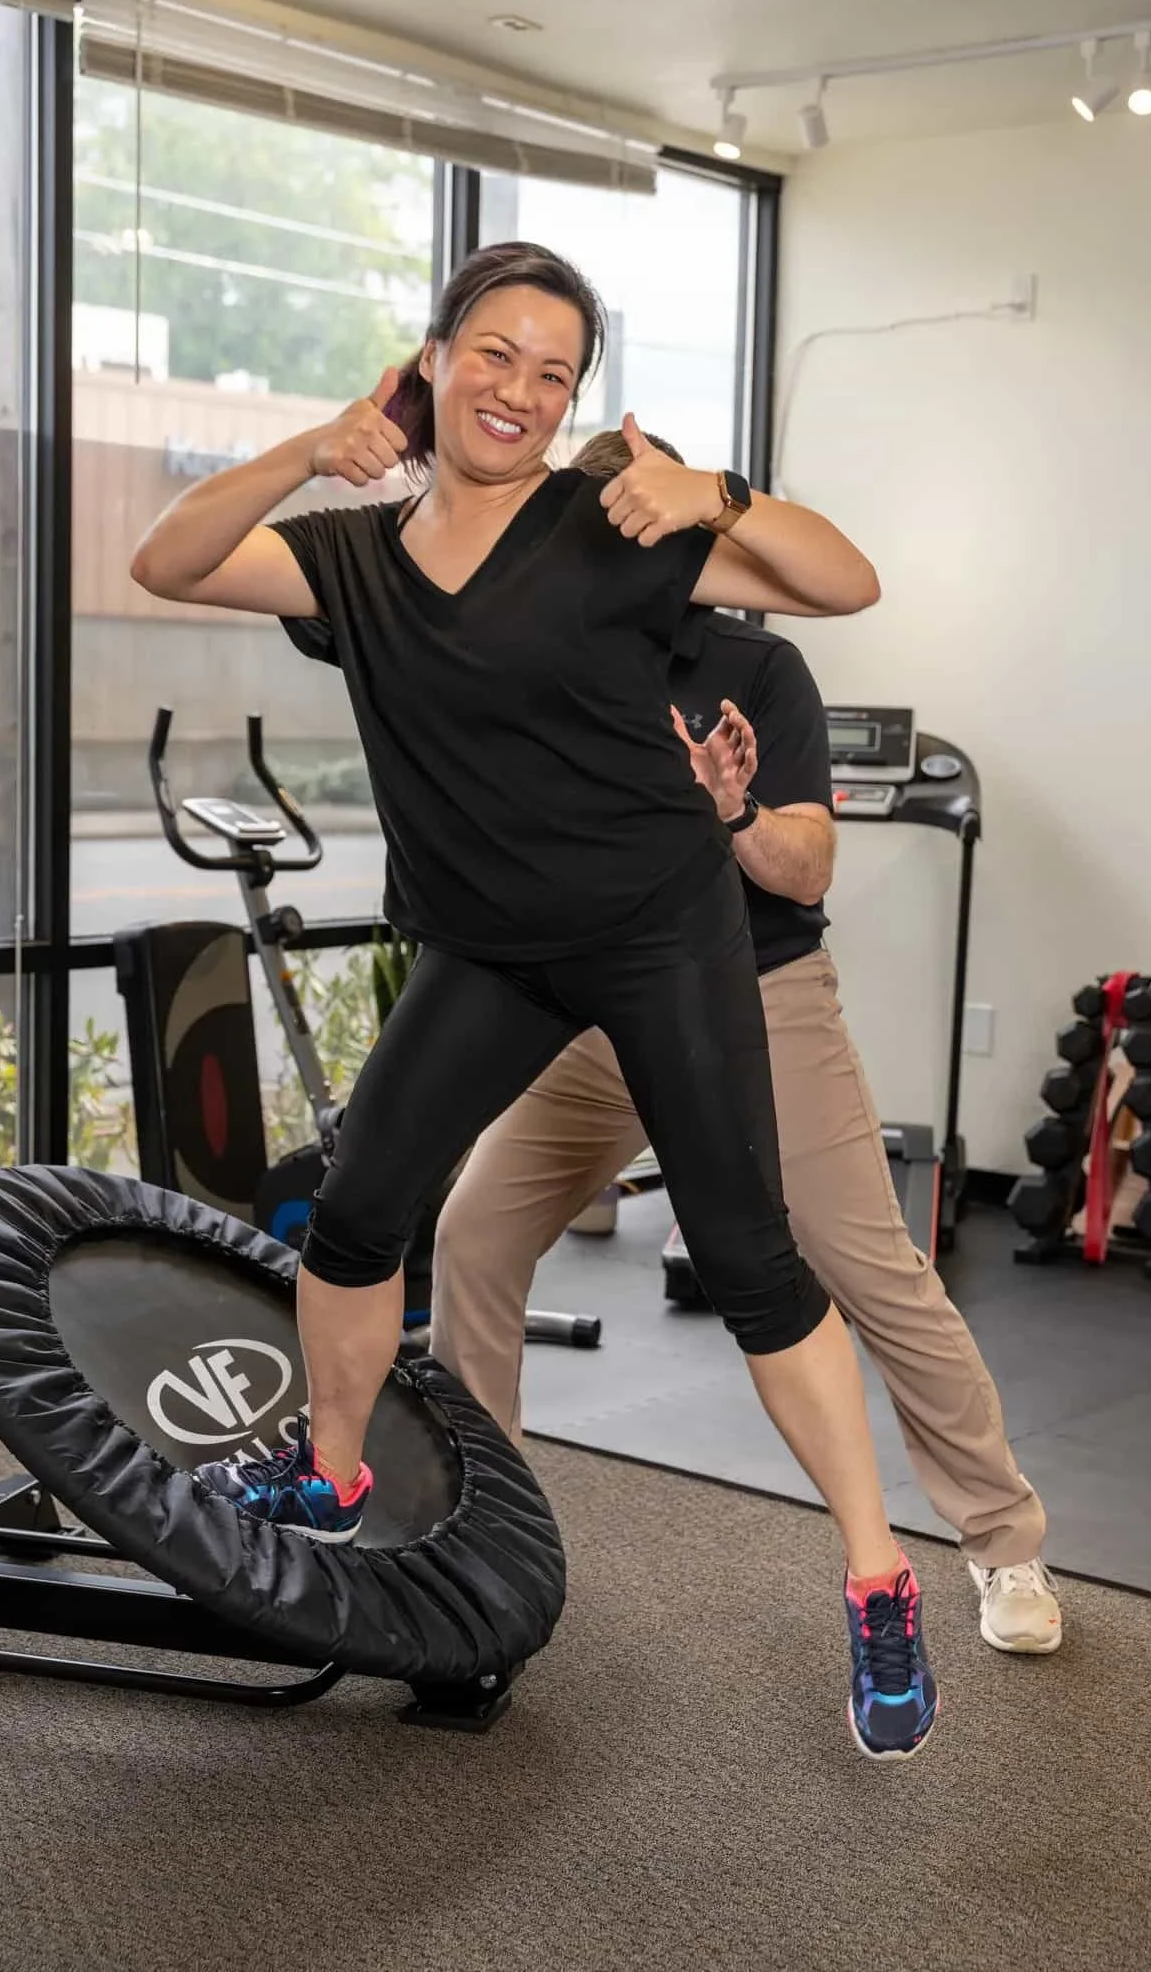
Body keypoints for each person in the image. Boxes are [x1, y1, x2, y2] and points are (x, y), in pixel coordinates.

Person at [130, 240, 936, 1760]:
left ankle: (877, 1574)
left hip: (656, 932)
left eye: (554, 372)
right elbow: (166, 561)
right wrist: (311, 448)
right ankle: (334, 1473)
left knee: (751, 1260)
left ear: (574, 404)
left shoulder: (609, 525)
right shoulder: (353, 558)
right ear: (432, 359)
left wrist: (716, 494)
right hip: (486, 949)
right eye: (493, 352)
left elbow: (849, 581)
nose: (519, 389)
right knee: (359, 1213)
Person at [431, 427, 1062, 1661]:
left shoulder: (757, 668)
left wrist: (729, 809)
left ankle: (1005, 1538)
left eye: (648, 518)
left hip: (758, 993)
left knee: (869, 1265)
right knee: (473, 1233)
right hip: (597, 1005)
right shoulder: (550, 656)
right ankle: (483, 1535)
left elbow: (808, 865)